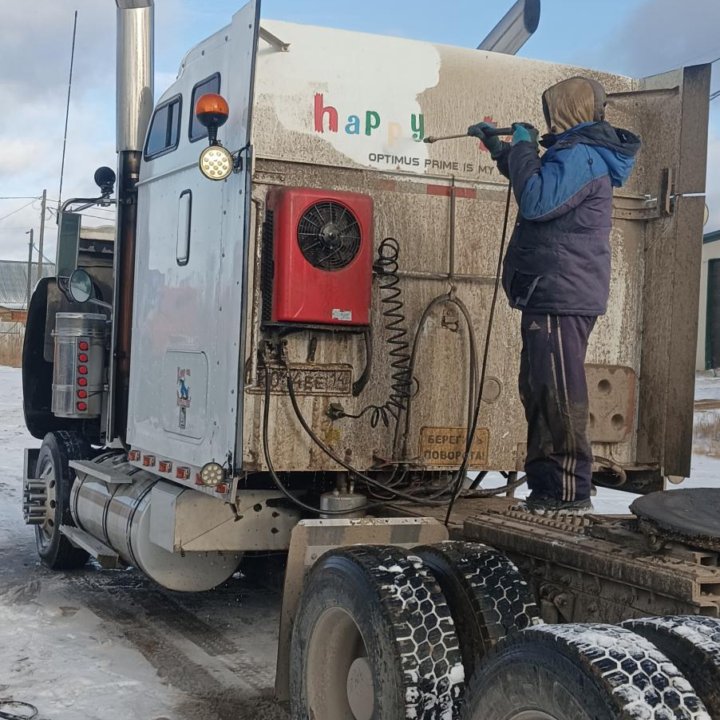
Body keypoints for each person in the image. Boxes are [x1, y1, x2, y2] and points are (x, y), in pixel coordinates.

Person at [469, 76, 641, 513]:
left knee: (558, 394)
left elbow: (538, 202)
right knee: (541, 391)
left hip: (561, 292)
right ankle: (548, 490)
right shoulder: (573, 154)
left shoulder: (581, 154)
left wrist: (525, 148)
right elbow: (541, 185)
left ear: (564, 110)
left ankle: (567, 492)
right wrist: (504, 152)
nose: (545, 119)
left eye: (550, 111)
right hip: (552, 291)